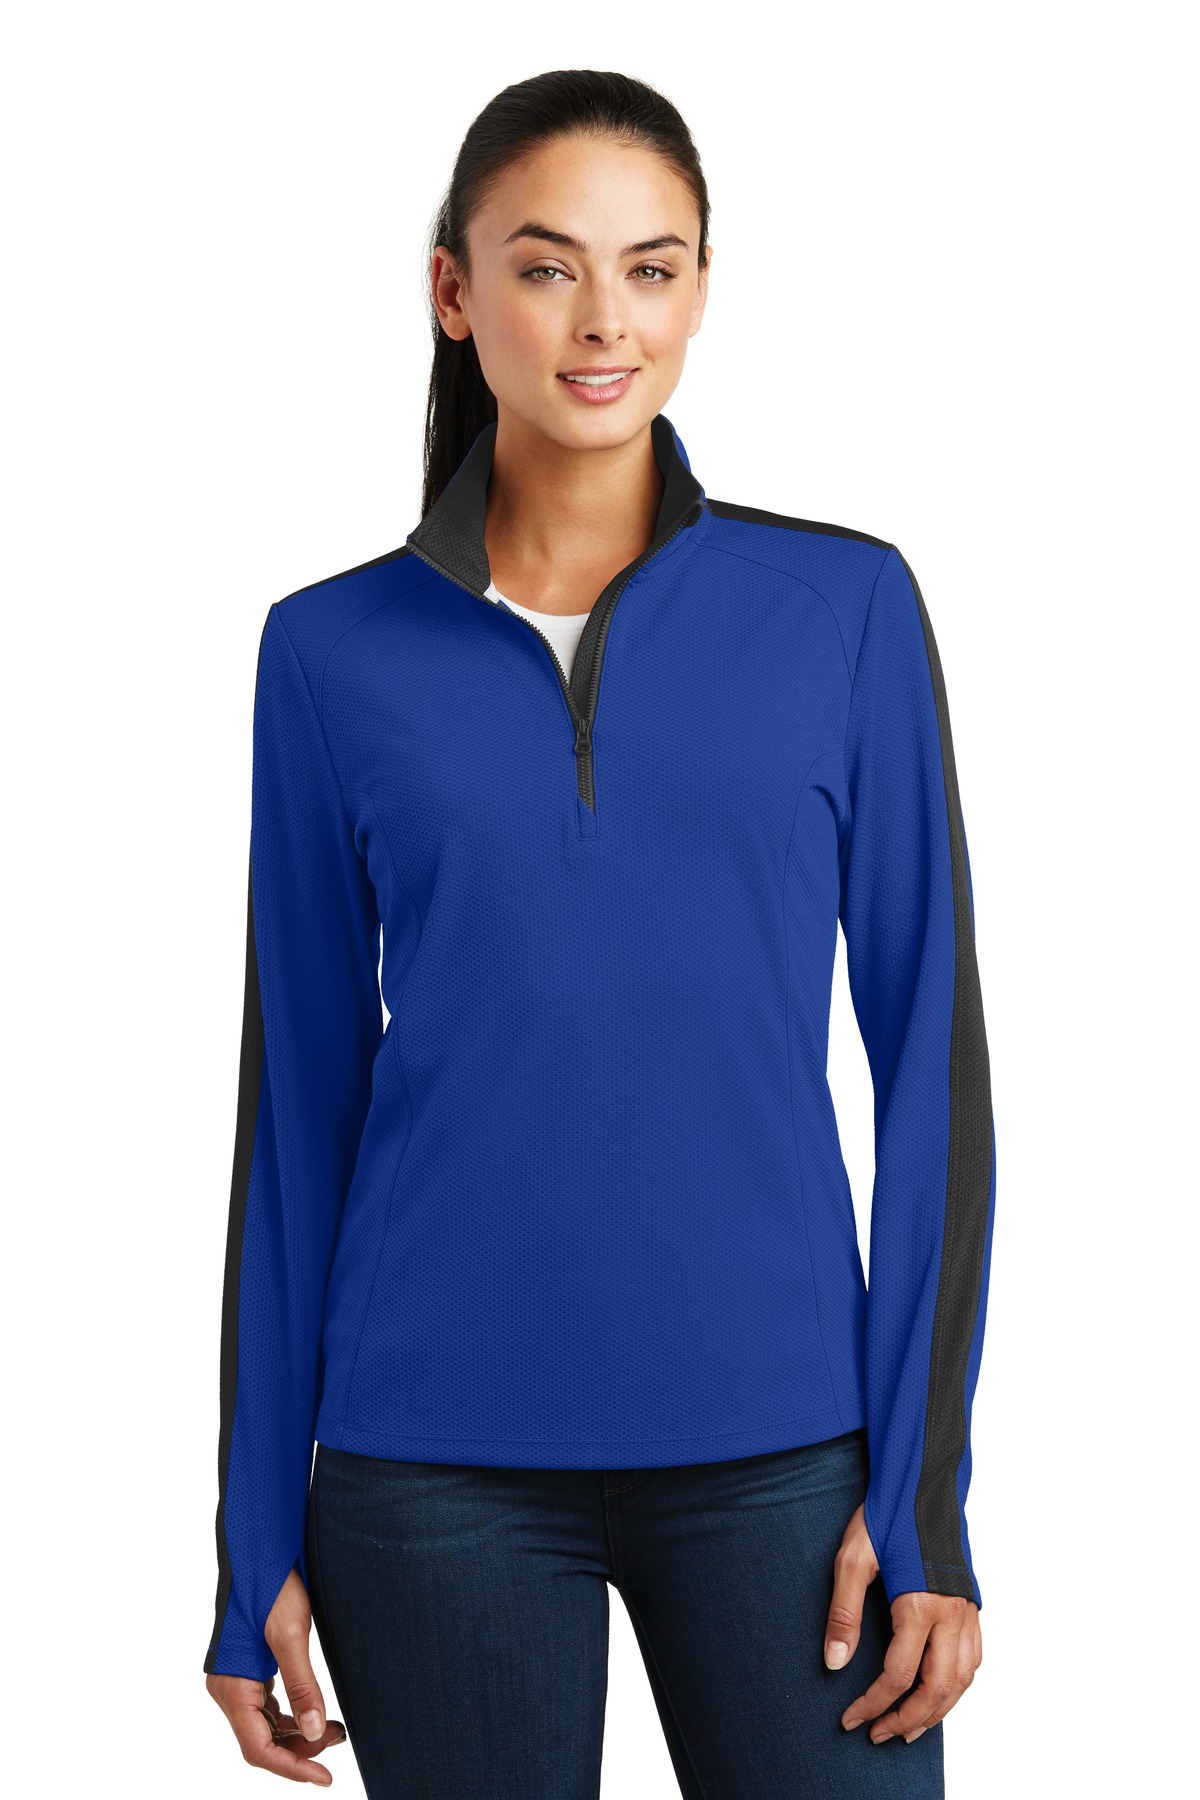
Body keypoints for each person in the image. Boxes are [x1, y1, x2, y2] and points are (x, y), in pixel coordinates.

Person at [204, 67, 996, 1798]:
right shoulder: (328, 653)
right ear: (453, 289)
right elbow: (299, 1112)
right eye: (547, 265)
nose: (602, 320)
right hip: (428, 1467)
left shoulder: (842, 610)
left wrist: (922, 1498)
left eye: (652, 268)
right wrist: (253, 1532)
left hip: (786, 1451)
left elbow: (932, 1063)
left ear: (702, 290)